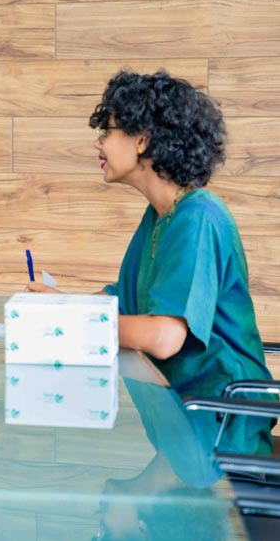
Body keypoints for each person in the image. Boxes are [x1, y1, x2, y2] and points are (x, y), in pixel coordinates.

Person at [27, 69, 272, 455]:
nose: (98, 142)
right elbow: (124, 299)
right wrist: (59, 304)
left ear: (142, 139)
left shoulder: (200, 215)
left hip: (220, 422)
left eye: (107, 130)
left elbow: (163, 337)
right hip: (182, 413)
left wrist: (69, 322)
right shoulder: (160, 217)